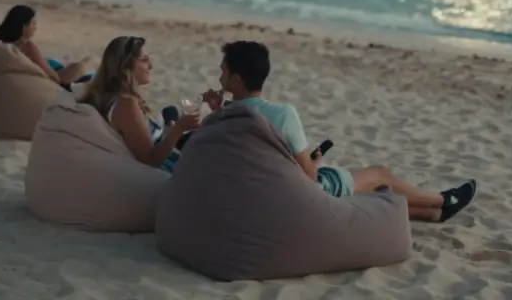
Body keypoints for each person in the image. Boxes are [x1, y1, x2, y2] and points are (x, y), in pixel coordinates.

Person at [203, 41, 477, 222]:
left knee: (370, 195)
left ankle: (435, 214)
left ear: (236, 80)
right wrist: (314, 162)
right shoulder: (282, 115)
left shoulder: (224, 117)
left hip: (259, 190)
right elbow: (309, 178)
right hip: (299, 195)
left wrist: (216, 109)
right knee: (380, 175)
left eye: (222, 72)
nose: (219, 77)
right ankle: (444, 198)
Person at [81, 36, 199, 172]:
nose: (151, 66)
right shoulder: (126, 105)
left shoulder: (109, 94)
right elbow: (150, 159)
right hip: (165, 167)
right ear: (126, 66)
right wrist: (178, 129)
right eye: (144, 60)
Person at [0, 5, 93, 86]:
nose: (35, 27)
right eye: (33, 23)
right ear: (24, 26)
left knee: (78, 64)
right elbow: (53, 77)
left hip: (31, 78)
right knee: (84, 64)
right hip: (47, 81)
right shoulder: (27, 47)